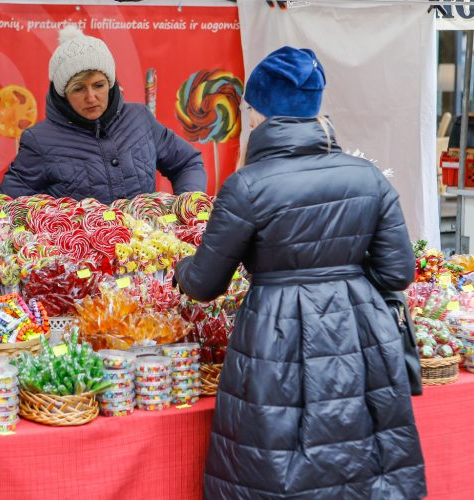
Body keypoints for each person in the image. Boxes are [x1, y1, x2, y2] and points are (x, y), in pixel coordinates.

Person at [175, 46, 426, 499]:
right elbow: (398, 271)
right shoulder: (367, 176)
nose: (249, 120)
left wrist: (180, 268)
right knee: (358, 457)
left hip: (275, 334)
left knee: (279, 456)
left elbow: (205, 284)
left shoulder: (247, 186)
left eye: (251, 109)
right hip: (361, 334)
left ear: (264, 114)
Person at [0, 26, 206, 204]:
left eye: (99, 85)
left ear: (111, 84)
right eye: (79, 89)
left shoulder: (139, 119)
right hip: (78, 251)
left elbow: (187, 162)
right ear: (63, 94)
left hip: (145, 248)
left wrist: (185, 207)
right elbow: (6, 206)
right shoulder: (39, 141)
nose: (91, 97)